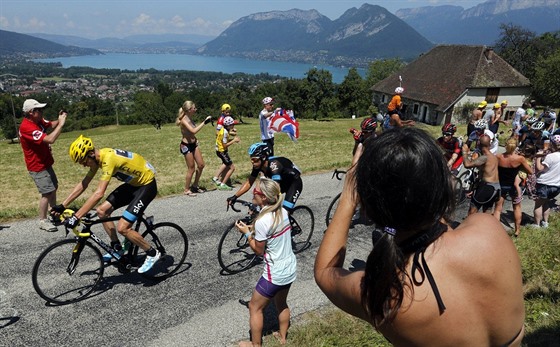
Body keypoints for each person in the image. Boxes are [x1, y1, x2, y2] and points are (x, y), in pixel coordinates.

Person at [314, 127, 524, 347]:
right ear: (444, 186)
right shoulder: (489, 229)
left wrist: (349, 195)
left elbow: (325, 271)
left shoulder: (388, 295)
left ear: (367, 208)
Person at [51, 135, 161, 273]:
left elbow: (99, 193)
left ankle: (152, 253)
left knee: (123, 228)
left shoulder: (108, 159)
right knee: (102, 211)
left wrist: (77, 216)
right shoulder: (97, 158)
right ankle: (117, 248)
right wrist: (63, 205)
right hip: (133, 185)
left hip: (146, 186)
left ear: (91, 154)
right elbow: (84, 184)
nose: (83, 165)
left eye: (83, 161)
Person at [235, 178, 296, 347]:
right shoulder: (282, 210)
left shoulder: (263, 221)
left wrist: (247, 233)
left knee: (255, 307)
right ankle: (283, 338)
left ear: (263, 198)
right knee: (281, 303)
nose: (252, 193)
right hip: (290, 267)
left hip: (274, 272)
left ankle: (255, 345)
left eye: (255, 192)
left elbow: (258, 250)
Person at [19, 99, 67, 232]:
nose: (41, 112)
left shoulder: (37, 120)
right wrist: (61, 125)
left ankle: (54, 213)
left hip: (45, 161)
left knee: (54, 186)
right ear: (30, 112)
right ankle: (43, 220)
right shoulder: (27, 127)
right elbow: (50, 139)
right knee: (47, 192)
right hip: (37, 165)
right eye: (39, 110)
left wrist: (60, 118)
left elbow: (51, 124)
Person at [227, 142, 302, 213]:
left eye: (254, 159)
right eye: (251, 159)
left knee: (284, 211)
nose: (252, 162)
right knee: (265, 204)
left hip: (293, 184)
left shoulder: (274, 165)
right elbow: (249, 182)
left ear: (263, 158)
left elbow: (275, 189)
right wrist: (235, 196)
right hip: (280, 183)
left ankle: (285, 224)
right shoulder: (258, 165)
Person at [493, 137, 533, 237]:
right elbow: (530, 171)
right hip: (514, 186)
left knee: (498, 209)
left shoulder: (498, 156)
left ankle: (495, 230)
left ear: (506, 145)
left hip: (501, 184)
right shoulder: (520, 159)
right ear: (516, 147)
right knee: (517, 208)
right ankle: (517, 230)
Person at [176, 100, 212, 196]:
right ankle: (186, 189)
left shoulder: (190, 118)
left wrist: (195, 139)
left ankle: (195, 186)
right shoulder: (184, 120)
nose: (195, 109)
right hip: (186, 146)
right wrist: (204, 122)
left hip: (194, 144)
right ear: (189, 110)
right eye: (194, 108)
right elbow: (193, 130)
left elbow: (190, 133)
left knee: (201, 165)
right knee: (191, 168)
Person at [462, 134, 500, 215]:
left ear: (478, 144)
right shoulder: (494, 157)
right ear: (489, 144)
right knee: (487, 212)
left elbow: (467, 165)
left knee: (472, 212)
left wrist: (464, 152)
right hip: (495, 187)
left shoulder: (485, 157)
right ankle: (485, 227)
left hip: (487, 187)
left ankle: (469, 227)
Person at [532, 134, 560, 228]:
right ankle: (546, 222)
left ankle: (537, 225)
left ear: (552, 144)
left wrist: (538, 157)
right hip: (556, 185)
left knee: (538, 205)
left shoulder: (551, 156)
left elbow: (539, 168)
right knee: (547, 202)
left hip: (545, 184)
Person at [212, 116, 240, 191]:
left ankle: (216, 178)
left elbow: (224, 141)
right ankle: (222, 184)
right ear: (228, 125)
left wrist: (233, 139)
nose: (233, 126)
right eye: (232, 124)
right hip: (222, 151)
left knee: (225, 165)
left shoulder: (224, 130)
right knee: (232, 168)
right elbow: (225, 145)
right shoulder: (224, 132)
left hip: (220, 150)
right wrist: (234, 140)